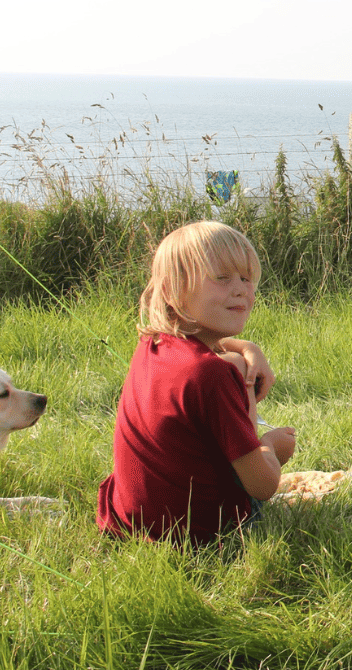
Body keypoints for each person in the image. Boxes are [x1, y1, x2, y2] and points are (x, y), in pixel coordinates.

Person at [97, 221, 296, 544]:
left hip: (128, 518)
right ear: (175, 290)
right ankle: (257, 442)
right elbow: (262, 486)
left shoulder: (154, 343)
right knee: (262, 441)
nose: (240, 289)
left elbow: (213, 347)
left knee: (232, 361)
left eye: (247, 278)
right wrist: (272, 445)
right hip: (198, 533)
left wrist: (248, 348)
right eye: (221, 278)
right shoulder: (212, 375)